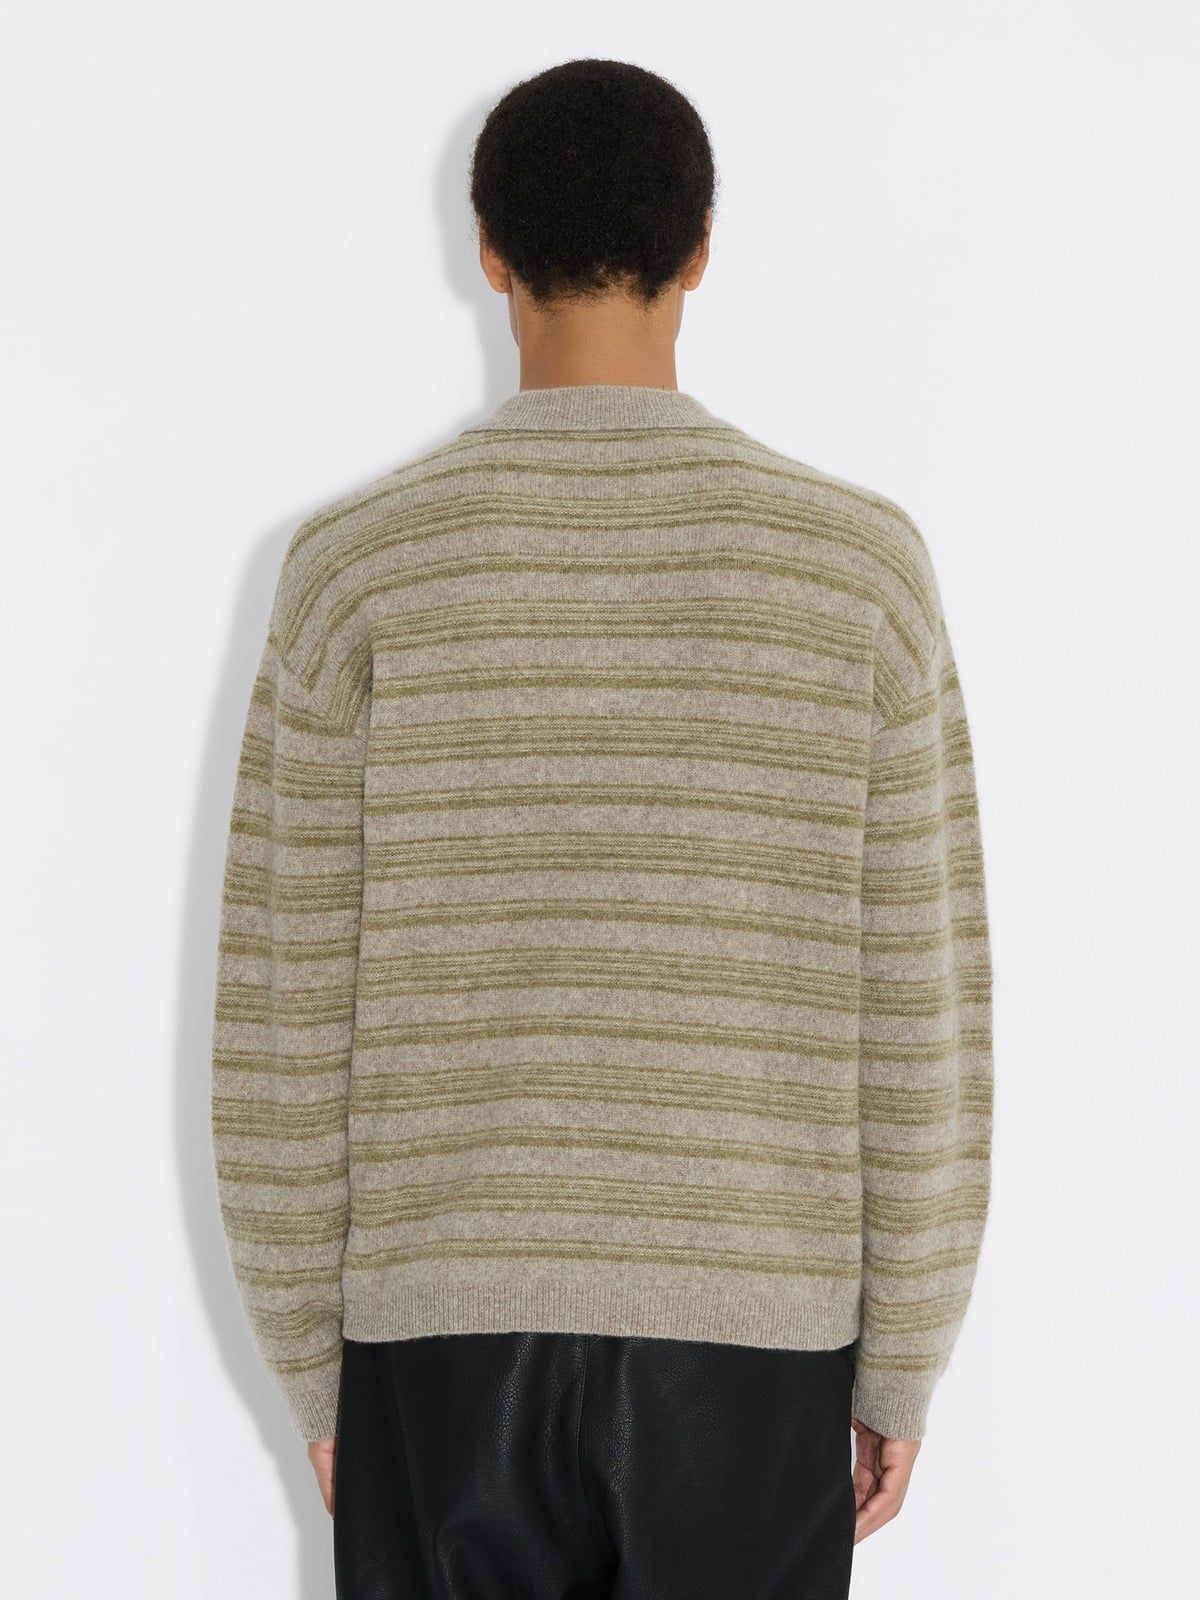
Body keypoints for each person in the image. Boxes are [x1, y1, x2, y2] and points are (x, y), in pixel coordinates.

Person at [211, 56, 993, 1599]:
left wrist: (313, 1360)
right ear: (701, 249)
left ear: (488, 251)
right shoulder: (858, 574)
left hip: (442, 1340)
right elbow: (920, 1006)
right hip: (753, 1340)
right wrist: (904, 1353)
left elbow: (284, 1014)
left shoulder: (358, 571)